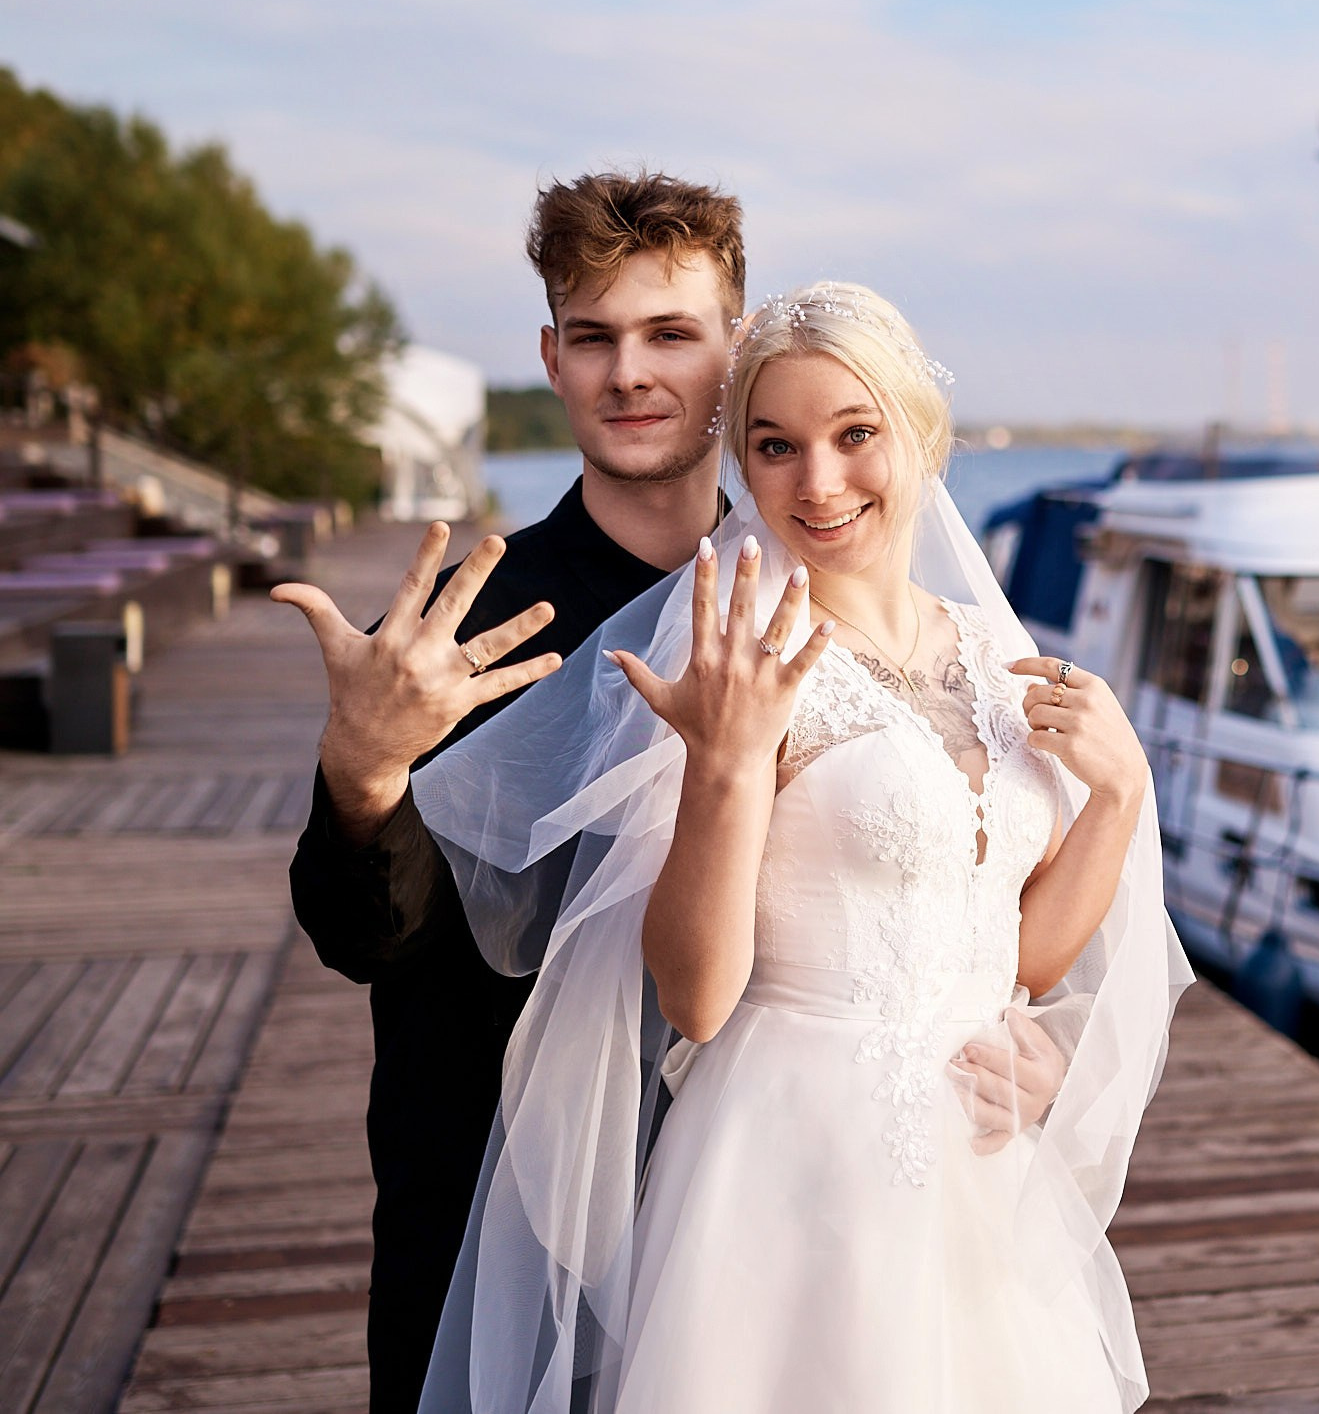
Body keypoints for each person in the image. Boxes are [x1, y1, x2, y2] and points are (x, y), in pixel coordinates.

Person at [407, 282, 1185, 1412]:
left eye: (854, 434)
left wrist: (1116, 795)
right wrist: (724, 763)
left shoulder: (984, 648)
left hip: (975, 1169)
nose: (817, 482)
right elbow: (697, 995)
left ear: (918, 433)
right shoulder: (735, 643)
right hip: (789, 1166)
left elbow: (1024, 960)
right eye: (774, 446)